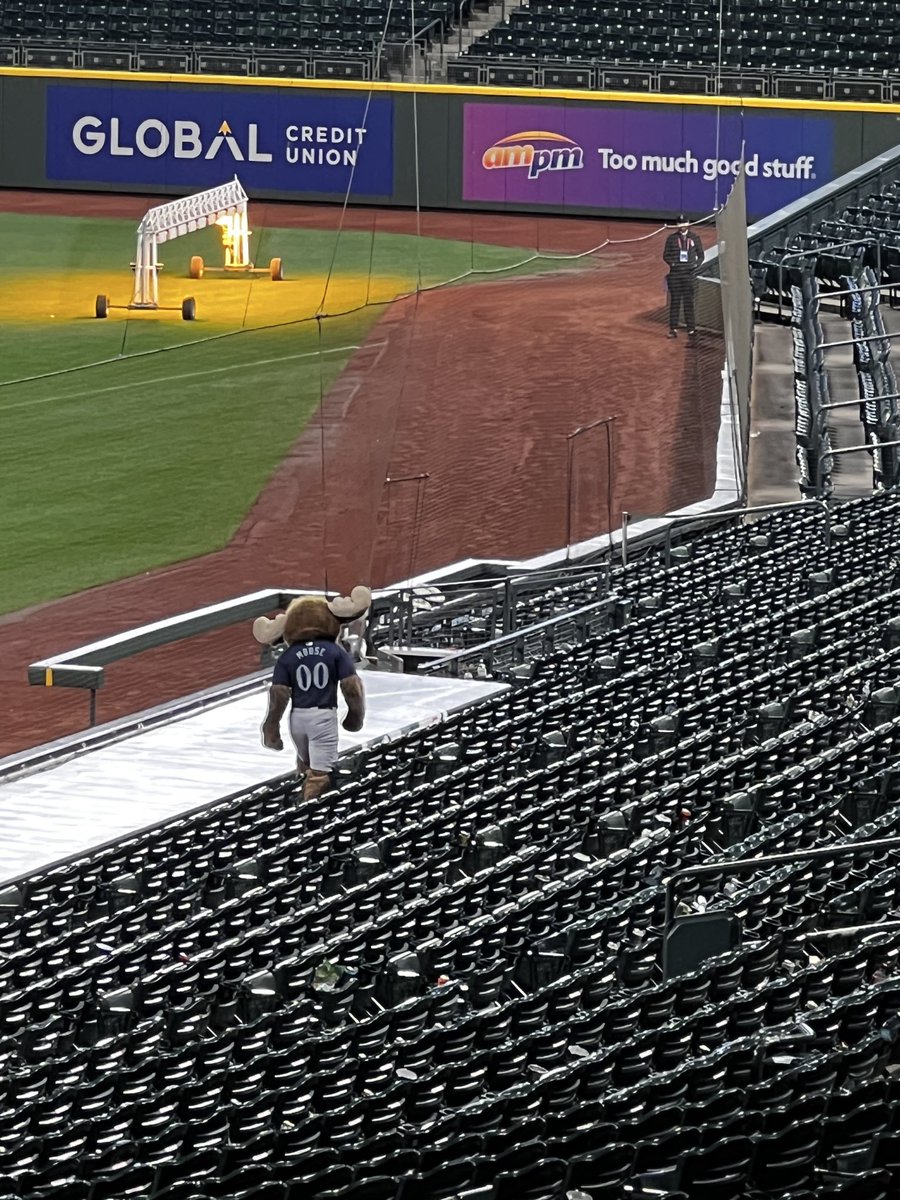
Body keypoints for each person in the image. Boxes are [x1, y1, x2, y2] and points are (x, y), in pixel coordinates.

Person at [262, 630, 366, 801]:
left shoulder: (290, 654)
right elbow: (352, 687)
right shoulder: (334, 651)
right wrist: (354, 717)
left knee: (305, 766)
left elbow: (279, 693)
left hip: (297, 718)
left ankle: (298, 801)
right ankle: (308, 816)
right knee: (319, 775)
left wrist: (271, 726)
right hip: (322, 717)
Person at [663, 216, 704, 339]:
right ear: (677, 225)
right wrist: (673, 263)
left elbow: (701, 255)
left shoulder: (695, 238)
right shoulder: (671, 238)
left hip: (688, 275)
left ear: (689, 224)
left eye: (684, 223)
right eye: (680, 224)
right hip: (675, 275)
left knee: (688, 303)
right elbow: (665, 255)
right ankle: (673, 329)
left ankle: (691, 330)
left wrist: (695, 265)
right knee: (675, 302)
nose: (682, 226)